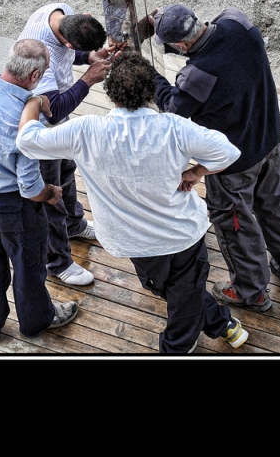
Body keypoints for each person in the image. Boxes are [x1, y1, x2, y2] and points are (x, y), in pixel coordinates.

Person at [16, 53, 249, 354]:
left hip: (132, 239)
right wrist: (196, 171)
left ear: (110, 93)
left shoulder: (85, 131)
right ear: (150, 92)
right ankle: (198, 336)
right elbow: (227, 152)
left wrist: (33, 102)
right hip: (181, 233)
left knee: (174, 289)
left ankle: (201, 335)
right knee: (182, 290)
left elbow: (27, 141)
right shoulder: (174, 127)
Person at [149, 4, 280, 313]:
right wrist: (164, 21)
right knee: (276, 205)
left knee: (235, 225)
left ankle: (251, 292)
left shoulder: (197, 75)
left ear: (180, 46)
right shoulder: (239, 25)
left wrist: (151, 77)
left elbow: (172, 109)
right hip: (270, 140)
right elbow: (216, 32)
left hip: (232, 163)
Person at [0, 38, 78, 339]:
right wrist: (51, 193)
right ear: (35, 77)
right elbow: (29, 187)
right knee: (28, 266)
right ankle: (37, 320)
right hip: (12, 205)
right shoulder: (26, 121)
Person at [17, 3, 125, 286]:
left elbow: (72, 52)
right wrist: (89, 79)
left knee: (67, 170)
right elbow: (56, 109)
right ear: (64, 41)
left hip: (57, 129)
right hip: (41, 132)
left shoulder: (59, 11)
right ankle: (58, 262)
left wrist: (89, 56)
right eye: (70, 47)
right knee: (51, 195)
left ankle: (74, 224)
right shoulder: (40, 55)